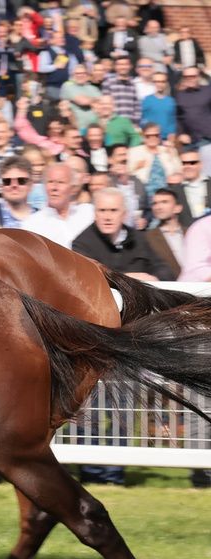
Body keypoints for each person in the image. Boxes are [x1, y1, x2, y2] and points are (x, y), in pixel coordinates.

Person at [72, 188, 173, 486]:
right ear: (95, 213)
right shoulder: (82, 242)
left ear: (124, 214)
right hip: (91, 339)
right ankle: (91, 471)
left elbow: (164, 270)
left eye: (113, 211)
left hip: (131, 340)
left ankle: (114, 473)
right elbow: (89, 280)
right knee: (88, 405)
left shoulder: (138, 239)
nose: (107, 216)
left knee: (123, 406)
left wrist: (147, 278)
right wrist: (135, 279)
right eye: (102, 211)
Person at [19, 163, 94, 249]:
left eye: (60, 182)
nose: (54, 188)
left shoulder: (88, 214)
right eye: (50, 182)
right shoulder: (31, 224)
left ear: (72, 188)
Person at [168, 147, 211, 228]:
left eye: (192, 163)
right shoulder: (174, 191)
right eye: (184, 163)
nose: (188, 166)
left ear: (200, 165)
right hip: (188, 234)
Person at [0, 155, 37, 228]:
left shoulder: (42, 218)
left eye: (21, 181)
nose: (14, 185)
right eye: (7, 181)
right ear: (1, 186)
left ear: (31, 185)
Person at [175, 68, 211, 145]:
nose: (189, 79)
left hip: (208, 137)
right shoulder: (180, 95)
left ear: (198, 76)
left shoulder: (208, 91)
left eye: (192, 76)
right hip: (192, 140)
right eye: (186, 77)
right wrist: (181, 134)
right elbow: (179, 118)